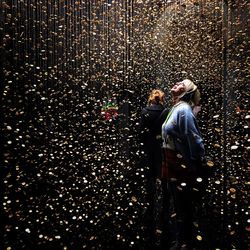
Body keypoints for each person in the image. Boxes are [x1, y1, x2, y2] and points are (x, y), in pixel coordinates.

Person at [161, 79, 206, 250]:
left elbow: (194, 139)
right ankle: (182, 240)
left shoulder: (184, 110)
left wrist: (197, 161)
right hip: (173, 160)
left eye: (182, 83)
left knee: (183, 205)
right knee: (179, 204)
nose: (176, 83)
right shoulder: (177, 108)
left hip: (181, 163)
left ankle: (185, 242)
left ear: (186, 92)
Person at [139, 89, 168, 248]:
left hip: (150, 147)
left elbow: (140, 132)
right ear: (162, 99)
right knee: (162, 172)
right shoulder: (166, 111)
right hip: (161, 146)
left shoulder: (145, 111)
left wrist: (144, 143)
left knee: (150, 173)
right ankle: (164, 200)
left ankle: (149, 200)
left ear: (150, 98)